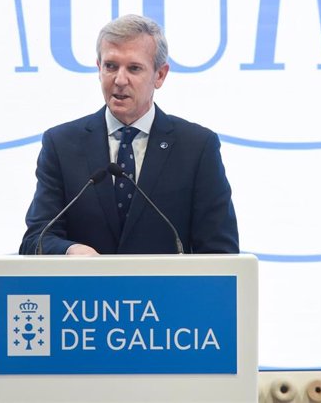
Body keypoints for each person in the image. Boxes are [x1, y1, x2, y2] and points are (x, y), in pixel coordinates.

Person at [19, 14, 238, 255]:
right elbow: (36, 239)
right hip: (85, 292)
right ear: (98, 69)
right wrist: (70, 250)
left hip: (167, 292)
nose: (120, 80)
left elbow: (221, 252)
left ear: (160, 75)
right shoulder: (61, 144)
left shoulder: (197, 147)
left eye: (134, 68)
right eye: (110, 66)